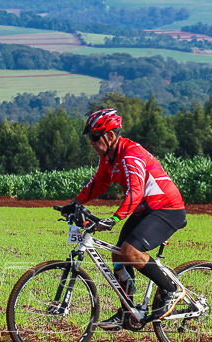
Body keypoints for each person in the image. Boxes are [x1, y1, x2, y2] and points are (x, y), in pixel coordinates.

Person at [61, 108, 187, 330]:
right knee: (118, 254)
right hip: (145, 209)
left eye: (94, 137)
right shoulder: (108, 158)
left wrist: (115, 218)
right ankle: (127, 311)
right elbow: (98, 183)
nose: (91, 142)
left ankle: (171, 290)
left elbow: (135, 192)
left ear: (110, 136)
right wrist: (76, 203)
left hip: (166, 208)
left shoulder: (130, 154)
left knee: (129, 252)